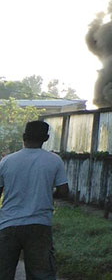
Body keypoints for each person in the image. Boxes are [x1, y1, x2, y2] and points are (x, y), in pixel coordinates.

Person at [0, 120, 69, 280]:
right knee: (41, 275)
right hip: (40, 224)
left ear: (24, 136)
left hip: (8, 225)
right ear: (46, 138)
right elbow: (64, 191)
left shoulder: (7, 161)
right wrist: (46, 193)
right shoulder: (54, 160)